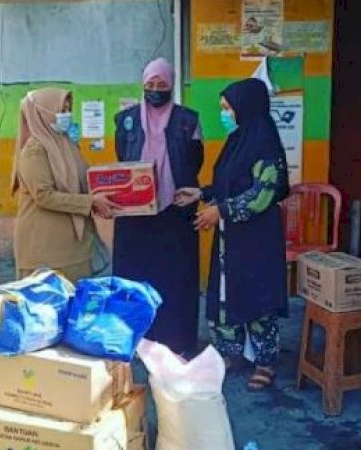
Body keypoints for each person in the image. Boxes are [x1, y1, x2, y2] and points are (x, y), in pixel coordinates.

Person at [178, 78, 288, 390]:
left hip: (257, 237)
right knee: (227, 293)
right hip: (231, 237)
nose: (225, 115)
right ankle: (231, 353)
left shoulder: (264, 145)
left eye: (228, 109)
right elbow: (230, 184)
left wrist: (221, 211)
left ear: (246, 108)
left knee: (258, 295)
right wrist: (200, 193)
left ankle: (265, 362)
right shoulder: (237, 141)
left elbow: (262, 194)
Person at [113, 58, 204, 355]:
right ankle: (138, 339)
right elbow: (122, 157)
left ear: (172, 86)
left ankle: (175, 341)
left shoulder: (187, 120)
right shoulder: (126, 120)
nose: (155, 91)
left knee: (175, 279)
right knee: (134, 277)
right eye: (150, 85)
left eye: (161, 85)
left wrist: (174, 183)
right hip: (134, 217)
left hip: (174, 214)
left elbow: (195, 160)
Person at [11, 87, 114, 281]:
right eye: (61, 111)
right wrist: (89, 203)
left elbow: (85, 179)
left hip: (75, 246)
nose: (67, 115)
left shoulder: (66, 143)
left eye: (68, 110)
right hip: (45, 247)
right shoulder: (34, 150)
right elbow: (43, 195)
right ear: (43, 113)